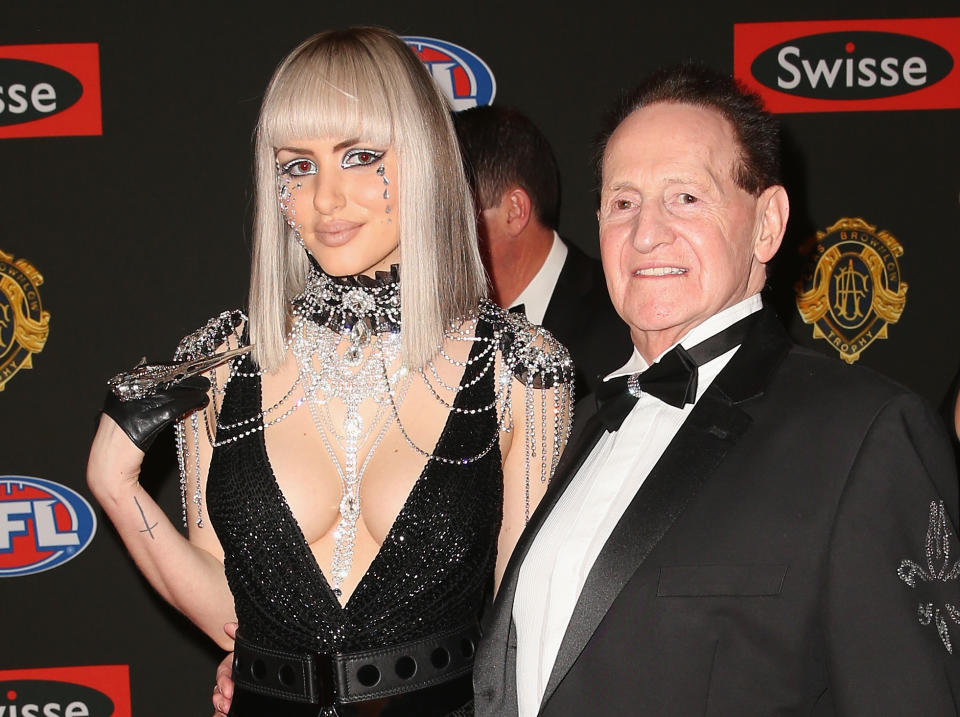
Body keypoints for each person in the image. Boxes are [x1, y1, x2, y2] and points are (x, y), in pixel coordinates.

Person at [86, 27, 572, 717]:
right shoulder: (223, 360)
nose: (325, 198)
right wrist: (112, 483)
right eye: (297, 165)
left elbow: (527, 628)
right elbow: (233, 610)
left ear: (427, 158)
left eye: (361, 157)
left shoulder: (520, 368)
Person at [471, 63, 960, 716]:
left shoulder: (864, 436)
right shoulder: (579, 423)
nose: (646, 232)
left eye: (686, 197)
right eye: (624, 202)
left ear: (767, 224)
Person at [453, 105, 631, 400]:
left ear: (514, 212)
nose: (432, 237)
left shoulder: (625, 318)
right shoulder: (434, 328)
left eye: (448, 214)